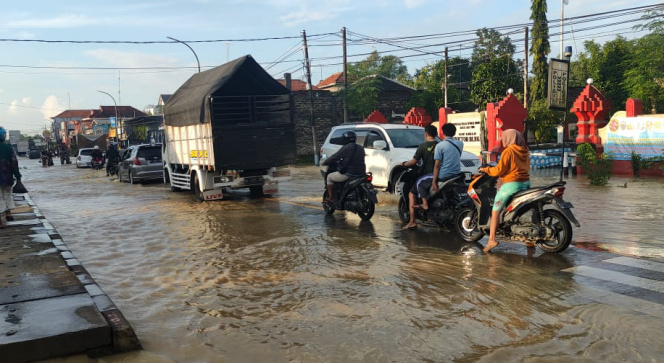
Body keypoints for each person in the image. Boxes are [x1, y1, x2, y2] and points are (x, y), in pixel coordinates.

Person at [479, 129, 530, 252]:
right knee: (526, 210)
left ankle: (491, 240)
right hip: (526, 183)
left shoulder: (509, 151)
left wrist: (485, 170)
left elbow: (499, 171)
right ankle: (529, 240)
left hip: (512, 184)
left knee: (495, 211)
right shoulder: (525, 150)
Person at [401, 125, 438, 230]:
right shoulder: (440, 145)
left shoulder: (423, 146)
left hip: (429, 175)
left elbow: (413, 162)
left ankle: (412, 222)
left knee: (411, 193)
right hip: (441, 174)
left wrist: (403, 164)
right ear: (436, 134)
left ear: (426, 134)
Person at [321, 131, 366, 204]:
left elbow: (336, 156)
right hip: (361, 173)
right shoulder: (361, 148)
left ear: (345, 140)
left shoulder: (346, 148)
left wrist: (325, 162)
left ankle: (331, 198)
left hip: (349, 174)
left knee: (329, 177)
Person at [431, 123, 464, 195]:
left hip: (444, 175)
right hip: (456, 174)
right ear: (454, 132)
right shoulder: (460, 143)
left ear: (443, 133)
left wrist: (433, 182)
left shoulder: (440, 146)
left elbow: (437, 165)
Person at [0, 127, 21, 228]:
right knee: (8, 194)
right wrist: (18, 176)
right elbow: (14, 163)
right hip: (7, 177)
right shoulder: (9, 148)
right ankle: (8, 213)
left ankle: (0, 220)